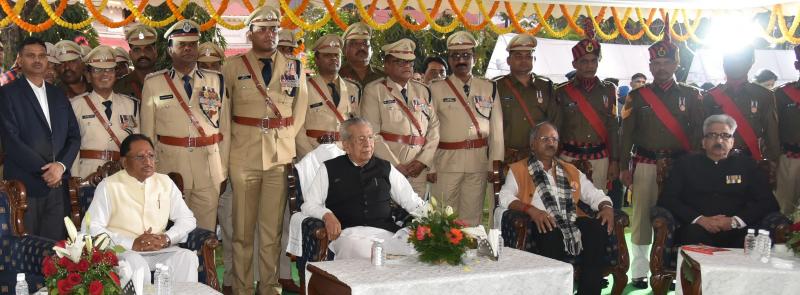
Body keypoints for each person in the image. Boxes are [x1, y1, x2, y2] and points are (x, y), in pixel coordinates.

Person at [220, 6, 307, 295]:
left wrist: (284, 139)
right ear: (250, 34)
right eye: (263, 29)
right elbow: (223, 115)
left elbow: (300, 111)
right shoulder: (232, 67)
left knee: (271, 232)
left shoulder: (294, 66)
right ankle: (243, 288)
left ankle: (268, 287)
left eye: (274, 29)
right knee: (242, 232)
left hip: (279, 158)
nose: (270, 35)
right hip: (242, 158)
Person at [620, 21, 704, 288]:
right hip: (645, 163)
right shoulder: (637, 96)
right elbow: (626, 134)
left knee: (677, 217)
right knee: (642, 218)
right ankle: (640, 271)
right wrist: (623, 166)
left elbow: (696, 136)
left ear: (676, 65)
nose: (661, 68)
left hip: (680, 166)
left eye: (667, 62)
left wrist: (695, 167)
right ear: (650, 66)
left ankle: (671, 269)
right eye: (656, 64)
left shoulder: (692, 96)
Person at [499, 122, 614, 295]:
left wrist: (606, 206)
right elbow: (505, 197)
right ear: (532, 144)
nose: (551, 142)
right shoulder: (518, 169)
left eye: (554, 139)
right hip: (542, 221)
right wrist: (531, 210)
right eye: (545, 138)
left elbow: (594, 193)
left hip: (571, 219)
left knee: (596, 229)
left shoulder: (570, 169)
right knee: (551, 233)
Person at [141, 19, 229, 233]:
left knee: (206, 233)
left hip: (208, 170)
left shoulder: (216, 80)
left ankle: (202, 268)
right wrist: (150, 172)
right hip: (170, 169)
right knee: (171, 232)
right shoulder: (154, 83)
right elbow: (147, 135)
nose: (188, 48)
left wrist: (223, 170)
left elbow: (224, 130)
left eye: (193, 43)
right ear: (170, 49)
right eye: (181, 44)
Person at [301, 117, 426, 259]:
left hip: (384, 234)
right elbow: (309, 204)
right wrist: (327, 215)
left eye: (370, 138)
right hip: (348, 235)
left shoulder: (385, 167)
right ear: (346, 145)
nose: (367, 144)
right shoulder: (329, 169)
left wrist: (434, 221)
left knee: (419, 248)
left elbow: (412, 201)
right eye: (361, 139)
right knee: (362, 250)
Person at [86, 134, 199, 284]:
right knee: (136, 264)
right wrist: (131, 243)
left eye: (151, 156)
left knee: (187, 258)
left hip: (160, 249)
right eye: (140, 157)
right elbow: (91, 228)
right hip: (123, 251)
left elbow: (187, 219)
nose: (148, 162)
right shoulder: (108, 186)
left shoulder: (165, 182)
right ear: (124, 162)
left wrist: (167, 238)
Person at [0, 37, 81, 240]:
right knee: (26, 249)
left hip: (58, 186)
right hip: (25, 187)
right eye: (30, 56)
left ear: (47, 60)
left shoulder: (58, 94)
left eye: (42, 56)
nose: (37, 60)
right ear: (20, 59)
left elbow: (74, 135)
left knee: (54, 250)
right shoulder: (7, 94)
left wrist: (60, 166)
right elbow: (11, 140)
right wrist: (46, 171)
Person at [658, 114, 779, 247]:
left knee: (753, 241)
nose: (719, 141)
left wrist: (735, 221)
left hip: (739, 231)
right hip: (697, 230)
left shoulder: (747, 165)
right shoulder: (685, 164)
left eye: (725, 136)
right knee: (691, 236)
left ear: (732, 142)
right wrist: (699, 220)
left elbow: (769, 202)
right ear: (703, 142)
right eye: (712, 135)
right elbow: (667, 199)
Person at [429, 31, 503, 227]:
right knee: (443, 218)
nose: (461, 60)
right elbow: (429, 130)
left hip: (477, 162)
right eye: (455, 56)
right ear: (449, 60)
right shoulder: (435, 89)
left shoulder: (489, 87)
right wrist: (430, 165)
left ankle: (470, 257)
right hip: (445, 163)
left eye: (466, 55)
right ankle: (441, 257)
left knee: (471, 219)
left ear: (474, 58)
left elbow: (496, 131)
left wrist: (493, 164)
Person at [361, 38, 440, 196]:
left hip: (418, 169)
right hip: (387, 167)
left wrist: (423, 161)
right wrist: (394, 165)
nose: (407, 66)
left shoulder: (423, 91)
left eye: (410, 62)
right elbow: (372, 134)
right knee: (389, 216)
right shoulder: (374, 90)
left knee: (417, 216)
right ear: (387, 65)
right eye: (400, 62)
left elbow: (434, 128)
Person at [555, 30, 619, 190]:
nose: (590, 66)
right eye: (584, 61)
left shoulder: (609, 90)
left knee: (598, 208)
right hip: (568, 158)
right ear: (574, 64)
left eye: (593, 61)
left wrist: (615, 161)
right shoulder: (561, 92)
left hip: (600, 160)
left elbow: (613, 128)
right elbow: (555, 127)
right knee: (568, 207)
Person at [702, 45, 779, 167]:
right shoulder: (710, 97)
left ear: (750, 63)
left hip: (751, 160)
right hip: (717, 161)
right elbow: (702, 134)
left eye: (740, 61)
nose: (734, 65)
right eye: (729, 61)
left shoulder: (764, 96)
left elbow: (771, 133)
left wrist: (773, 162)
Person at [70, 45, 139, 179]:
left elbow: (136, 143)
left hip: (123, 174)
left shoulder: (131, 105)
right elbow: (72, 148)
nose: (105, 74)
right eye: (97, 70)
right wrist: (75, 180)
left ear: (115, 74)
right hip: (89, 176)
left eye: (109, 69)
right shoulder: (76, 106)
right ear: (88, 76)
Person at [494, 33, 558, 164]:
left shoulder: (546, 86)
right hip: (507, 157)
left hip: (539, 157)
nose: (524, 60)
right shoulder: (496, 86)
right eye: (518, 56)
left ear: (534, 60)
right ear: (508, 60)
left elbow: (554, 122)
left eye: (528, 56)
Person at [296, 34, 361, 156]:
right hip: (315, 152)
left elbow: (357, 125)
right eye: (327, 55)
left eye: (336, 55)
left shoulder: (353, 89)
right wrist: (310, 158)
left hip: (345, 155)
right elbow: (298, 128)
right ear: (316, 59)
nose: (333, 58)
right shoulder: (304, 87)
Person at [773, 45, 800, 215]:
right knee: (784, 209)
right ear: (797, 65)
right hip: (790, 158)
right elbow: (772, 128)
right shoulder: (782, 94)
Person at [114, 24, 158, 100]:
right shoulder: (119, 86)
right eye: (137, 50)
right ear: (130, 54)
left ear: (155, 52)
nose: (143, 54)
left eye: (148, 49)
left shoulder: (168, 82)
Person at [339, 22, 385, 86]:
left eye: (365, 43)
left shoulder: (384, 76)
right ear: (344, 50)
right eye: (355, 44)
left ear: (371, 50)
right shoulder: (337, 75)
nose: (361, 47)